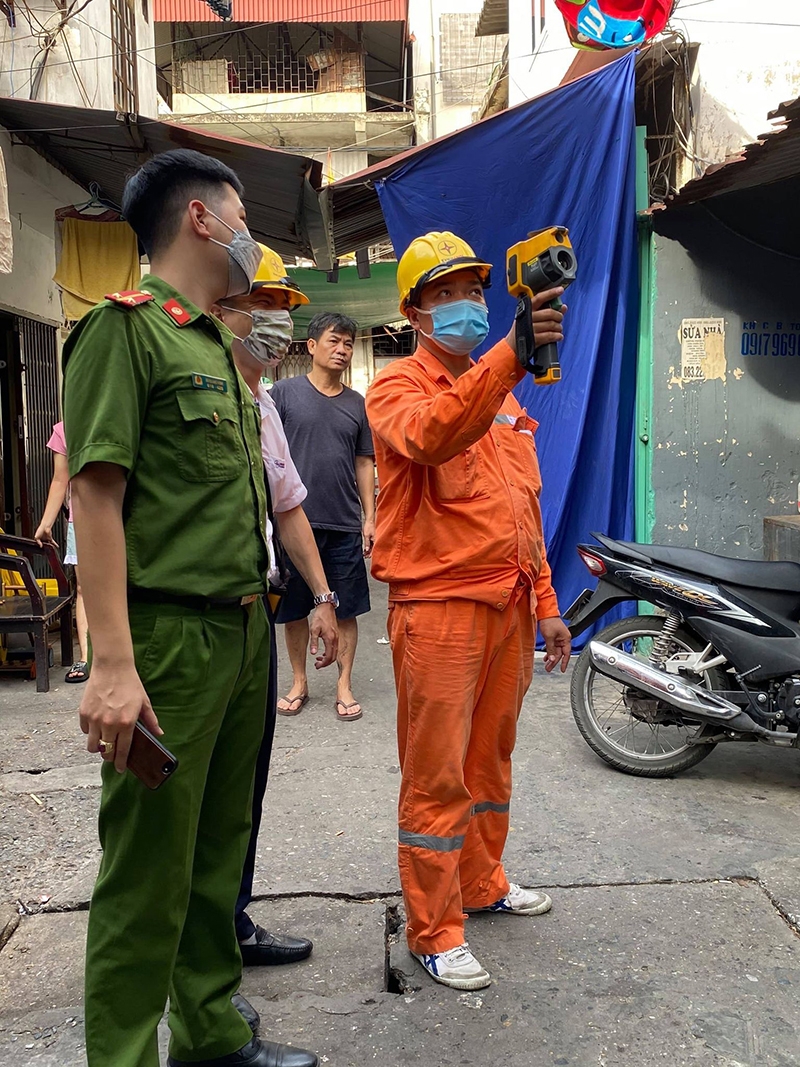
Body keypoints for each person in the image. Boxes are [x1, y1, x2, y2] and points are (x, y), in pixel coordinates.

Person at [63, 149, 318, 1067]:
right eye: (242, 215)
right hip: (168, 638)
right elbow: (96, 498)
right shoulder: (123, 332)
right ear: (202, 220)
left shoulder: (216, 343)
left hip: (245, 627)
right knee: (147, 869)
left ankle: (210, 1031)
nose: (252, 236)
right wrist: (114, 666)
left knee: (217, 851)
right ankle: (124, 1054)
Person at [365, 231, 573, 992]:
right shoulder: (396, 389)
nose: (463, 305)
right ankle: (433, 928)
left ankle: (482, 883)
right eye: (445, 293)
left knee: (489, 761)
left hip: (511, 606)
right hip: (440, 609)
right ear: (414, 311)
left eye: (471, 291)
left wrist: (548, 603)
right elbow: (432, 434)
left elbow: (525, 508)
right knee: (437, 771)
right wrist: (509, 355)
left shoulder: (507, 400)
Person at [211, 245, 339, 987]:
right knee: (195, 799)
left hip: (255, 613)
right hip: (192, 620)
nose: (277, 322)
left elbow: (287, 505)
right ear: (225, 304)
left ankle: (231, 920)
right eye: (265, 305)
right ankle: (194, 959)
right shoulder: (187, 384)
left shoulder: (261, 402)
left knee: (243, 786)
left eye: (287, 309)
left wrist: (320, 598)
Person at [270, 312, 375, 723]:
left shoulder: (357, 404)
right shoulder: (283, 394)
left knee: (346, 608)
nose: (343, 349)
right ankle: (299, 681)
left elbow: (364, 462)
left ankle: (343, 683)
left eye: (348, 343)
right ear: (311, 346)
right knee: (293, 609)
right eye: (334, 341)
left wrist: (370, 517)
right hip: (295, 523)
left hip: (344, 521)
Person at [34, 420, 89, 682]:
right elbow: (60, 479)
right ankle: (87, 658)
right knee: (85, 590)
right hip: (82, 519)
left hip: (122, 516)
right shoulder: (65, 429)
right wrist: (46, 523)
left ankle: (107, 657)